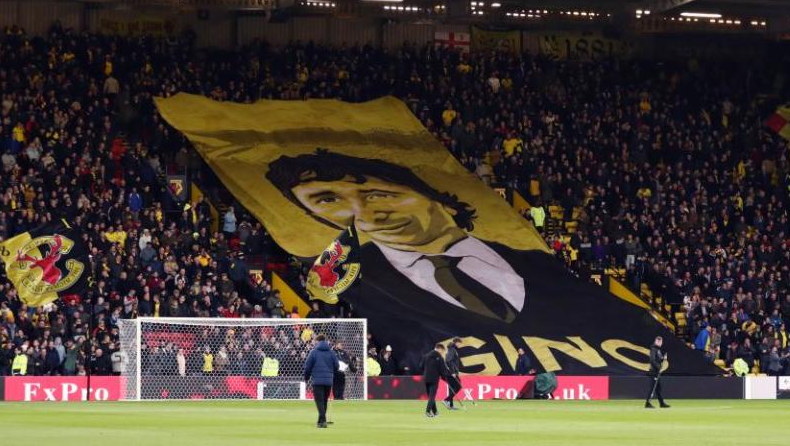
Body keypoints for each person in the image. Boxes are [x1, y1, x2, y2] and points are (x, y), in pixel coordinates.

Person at [265, 150, 713, 376]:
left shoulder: (544, 267)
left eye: (378, 192)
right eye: (328, 202)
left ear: (429, 192)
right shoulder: (359, 284)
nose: (366, 212)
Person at [303, 334, 338, 428]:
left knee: (319, 401)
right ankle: (320, 420)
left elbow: (307, 367)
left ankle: (323, 421)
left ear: (318, 341)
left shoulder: (313, 352)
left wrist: (306, 378)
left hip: (317, 381)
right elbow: (337, 366)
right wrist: (331, 373)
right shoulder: (331, 353)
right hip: (328, 381)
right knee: (324, 401)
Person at [423, 343, 450, 418]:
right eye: (442, 350)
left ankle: (435, 412)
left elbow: (420, 366)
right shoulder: (440, 358)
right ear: (439, 348)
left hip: (426, 379)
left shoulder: (426, 356)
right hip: (434, 380)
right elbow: (443, 371)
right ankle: (427, 412)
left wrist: (426, 372)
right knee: (432, 397)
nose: (442, 352)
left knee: (431, 397)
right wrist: (445, 379)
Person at [645, 336, 669, 409]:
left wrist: (663, 359)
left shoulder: (658, 350)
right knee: (653, 388)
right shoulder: (653, 349)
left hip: (656, 371)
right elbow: (652, 360)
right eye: (659, 341)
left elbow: (658, 360)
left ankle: (661, 403)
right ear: (656, 341)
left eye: (661, 341)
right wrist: (658, 367)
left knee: (658, 388)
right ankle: (647, 403)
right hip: (653, 372)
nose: (660, 343)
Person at [444, 337, 463, 409]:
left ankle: (450, 405)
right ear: (456, 342)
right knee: (459, 386)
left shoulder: (451, 349)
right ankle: (446, 400)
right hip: (451, 373)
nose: (459, 345)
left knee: (451, 388)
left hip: (449, 373)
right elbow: (448, 361)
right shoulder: (452, 350)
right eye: (459, 343)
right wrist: (453, 372)